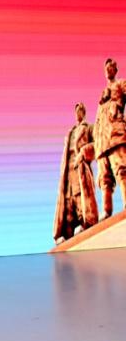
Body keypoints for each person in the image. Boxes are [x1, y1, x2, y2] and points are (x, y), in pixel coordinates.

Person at [54, 102, 98, 243]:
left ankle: (85, 223)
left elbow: (97, 145)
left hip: (80, 168)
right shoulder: (70, 132)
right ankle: (65, 233)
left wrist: (83, 153)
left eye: (80, 110)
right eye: (76, 111)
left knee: (81, 197)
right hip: (68, 172)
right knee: (67, 201)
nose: (77, 113)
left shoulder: (89, 128)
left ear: (84, 112)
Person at [94, 58, 126, 220]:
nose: (108, 70)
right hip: (102, 140)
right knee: (104, 178)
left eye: (110, 67)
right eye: (106, 68)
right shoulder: (102, 95)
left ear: (115, 70)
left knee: (121, 168)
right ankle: (106, 211)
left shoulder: (121, 84)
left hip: (116, 133)